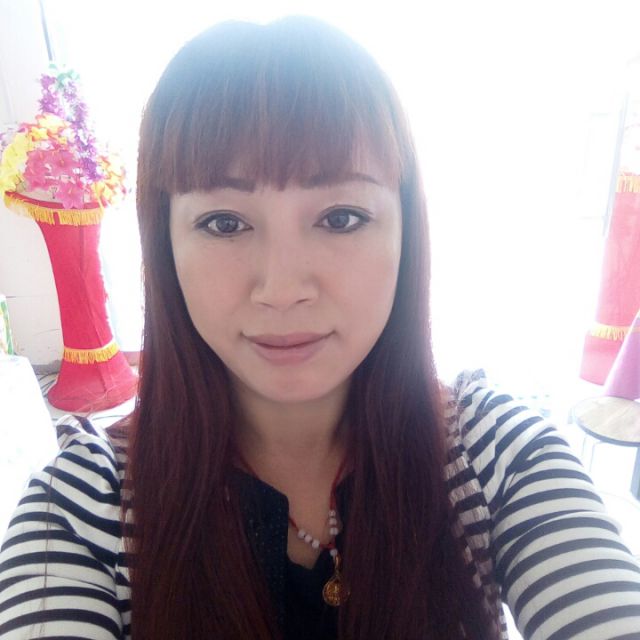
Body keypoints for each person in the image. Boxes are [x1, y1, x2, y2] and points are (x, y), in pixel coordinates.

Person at [1, 16, 640, 640]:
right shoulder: (81, 511)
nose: (282, 290)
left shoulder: (495, 456)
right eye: (225, 223)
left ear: (405, 231)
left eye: (340, 218)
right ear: (164, 246)